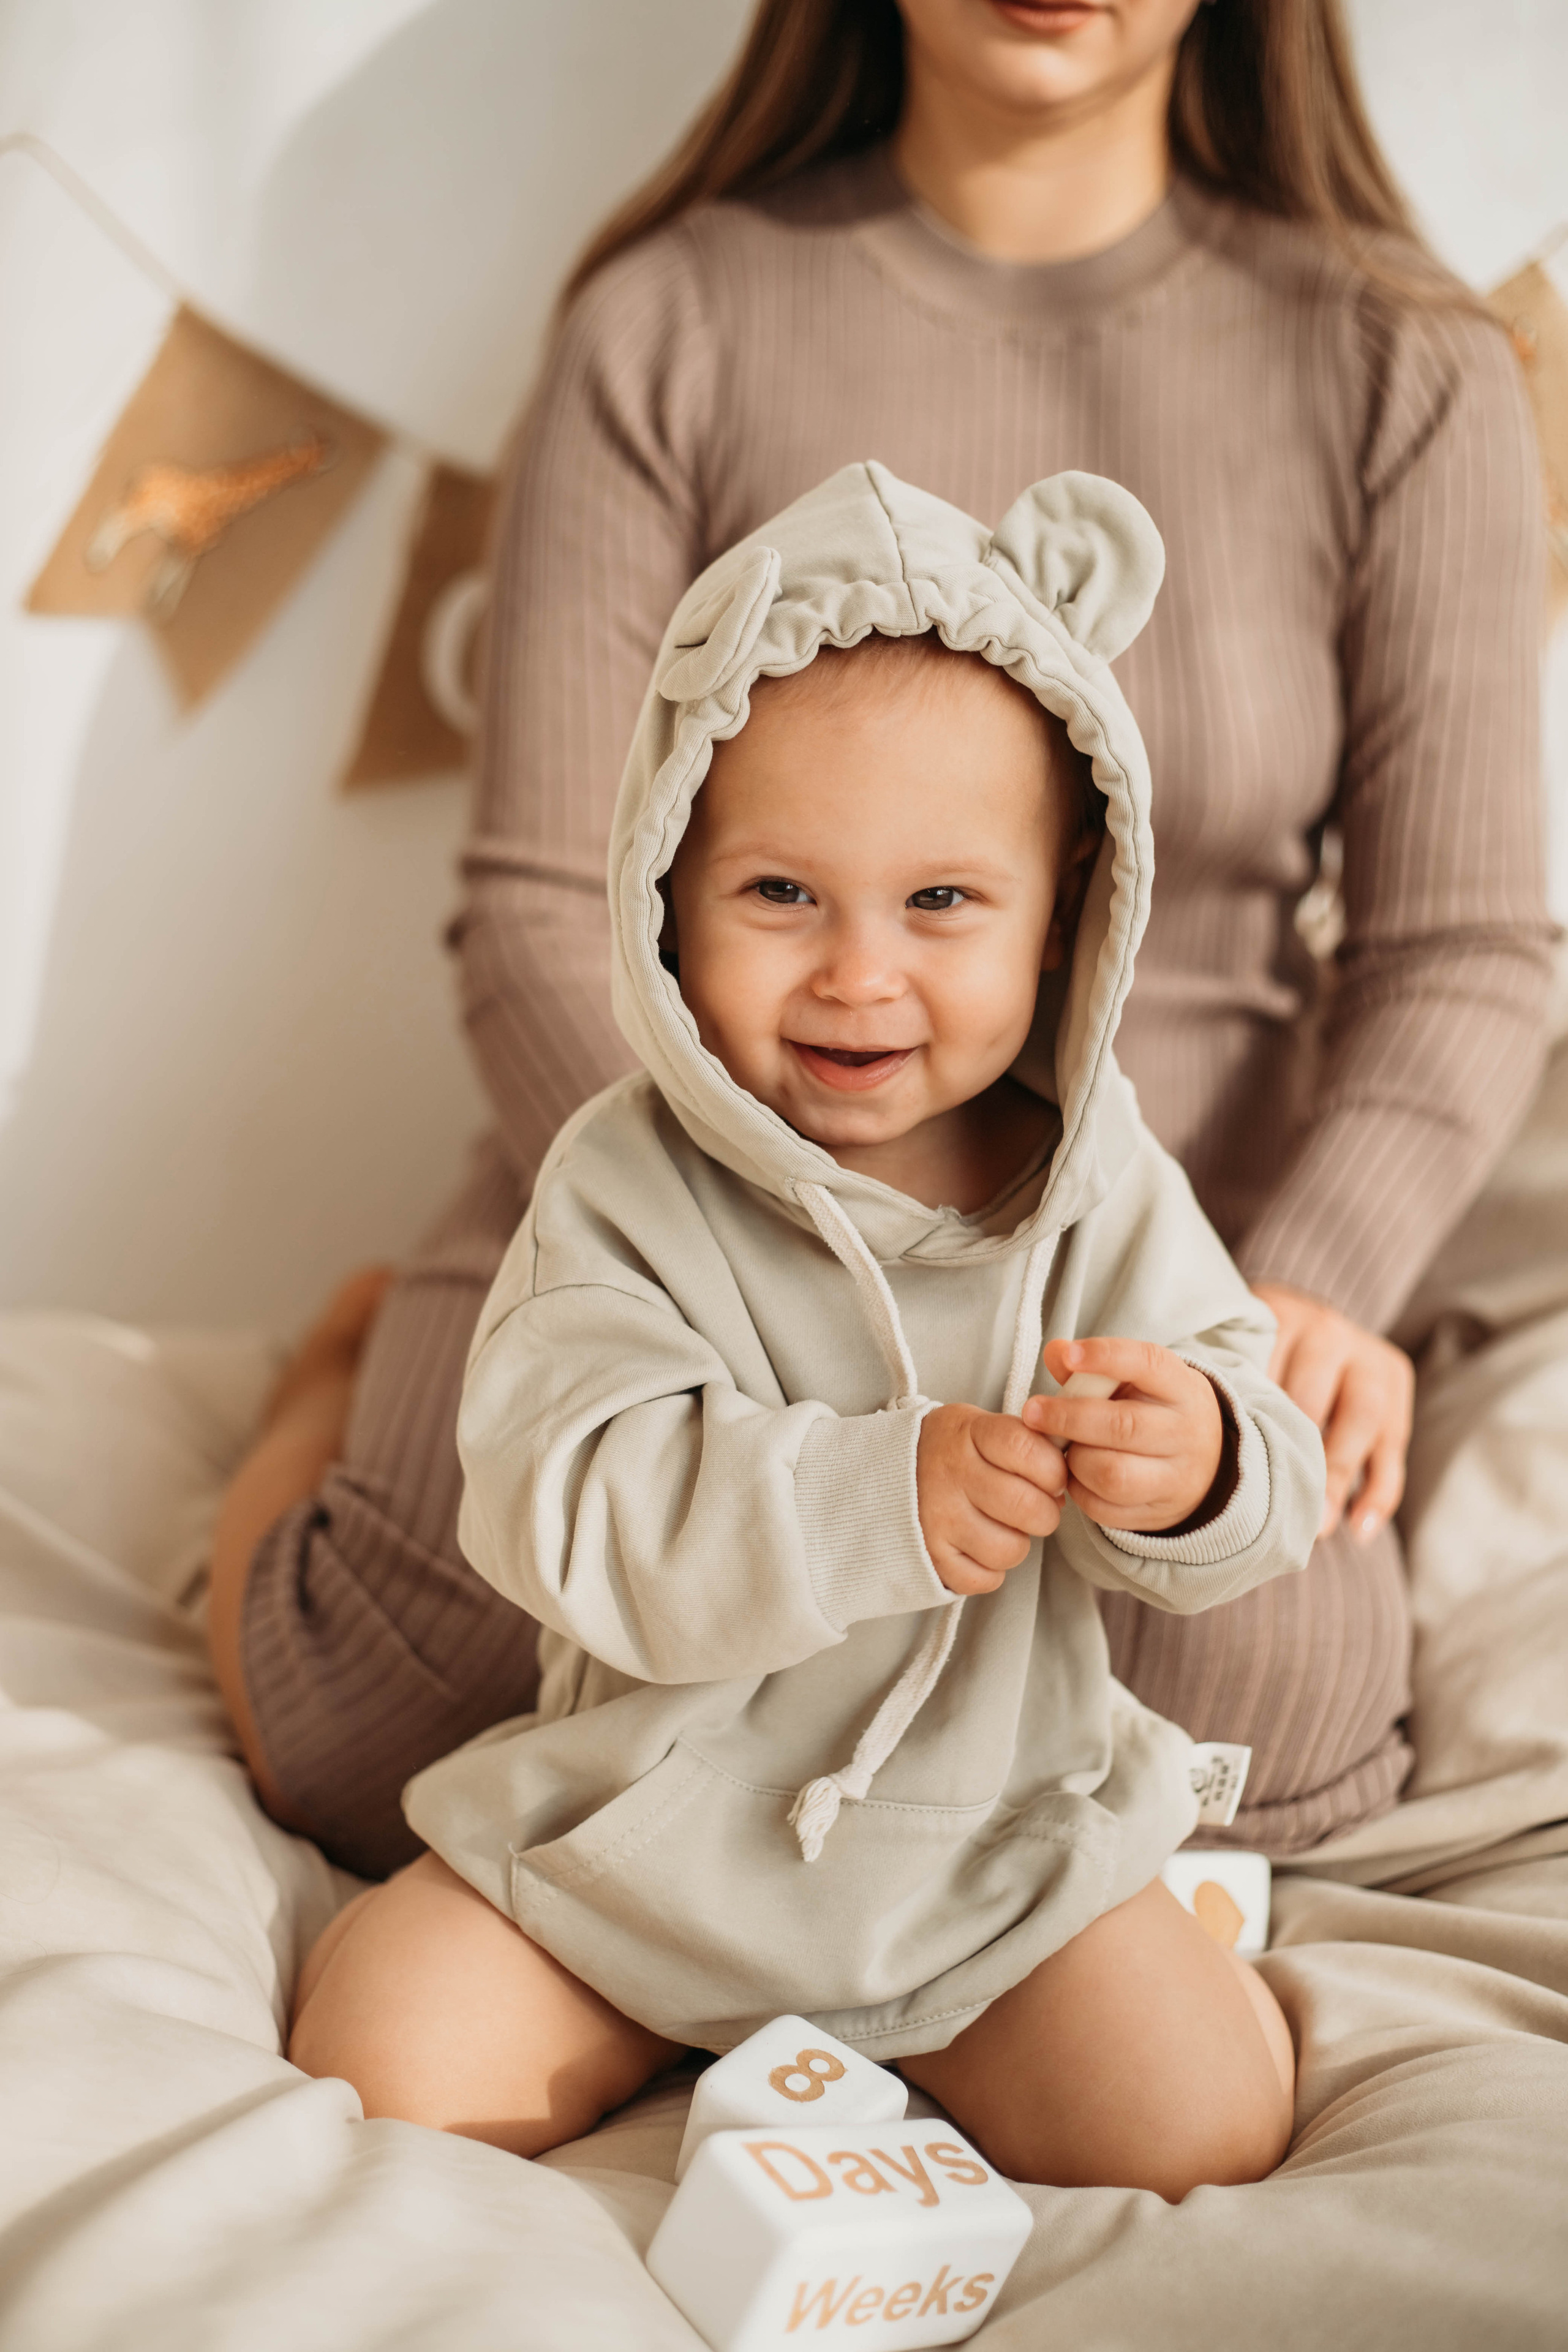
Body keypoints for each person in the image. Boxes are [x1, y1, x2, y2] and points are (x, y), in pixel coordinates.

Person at [209, 0, 1551, 1881]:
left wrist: (1301, 1300)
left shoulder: (1402, 361)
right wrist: (761, 1284)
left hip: (1137, 1258)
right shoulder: (670, 318)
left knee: (1281, 1734)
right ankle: (325, 1380)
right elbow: (533, 909)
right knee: (387, 1737)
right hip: (688, 1203)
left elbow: (1466, 945)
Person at [288, 462, 1320, 2195]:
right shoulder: (625, 1184)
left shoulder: (1099, 1182)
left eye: (941, 904)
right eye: (782, 896)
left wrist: (1200, 1462)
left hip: (985, 1849)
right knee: (384, 2059)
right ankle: (317, 1385)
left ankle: (938, 2025)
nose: (860, 975)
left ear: (1065, 911)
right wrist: (877, 1496)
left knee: (1212, 2120)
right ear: (667, 890)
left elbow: (1260, 1469)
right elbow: (566, 1498)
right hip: (644, 1842)